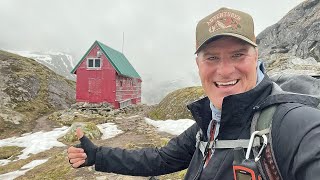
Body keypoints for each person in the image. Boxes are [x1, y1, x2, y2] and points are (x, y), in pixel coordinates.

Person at [67, 7, 320, 179]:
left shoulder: (291, 125)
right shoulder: (209, 124)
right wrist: (98, 155)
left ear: (256, 57)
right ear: (198, 64)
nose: (224, 70)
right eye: (212, 57)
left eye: (237, 55)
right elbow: (160, 159)